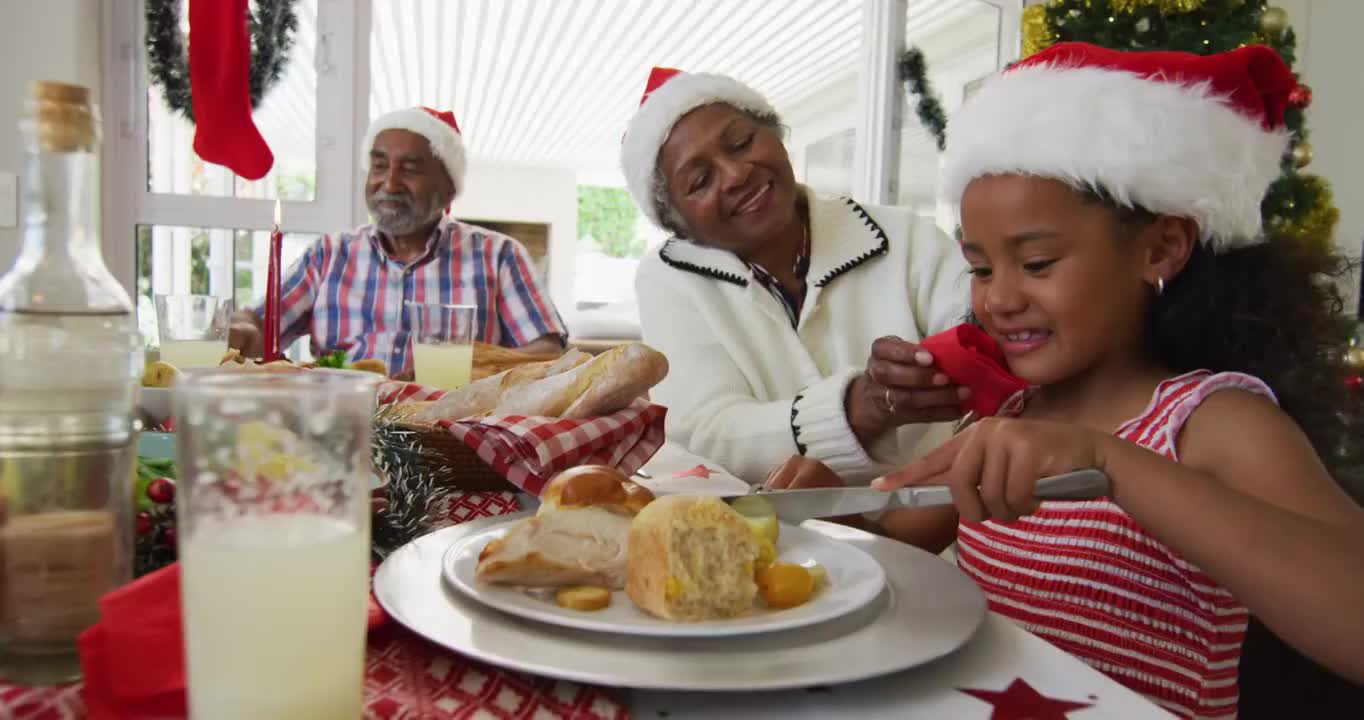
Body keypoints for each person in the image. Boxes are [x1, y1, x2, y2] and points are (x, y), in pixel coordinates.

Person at [767, 43, 1364, 717]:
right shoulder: (1017, 410)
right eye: (983, 268)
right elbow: (900, 549)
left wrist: (1111, 462)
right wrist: (830, 515)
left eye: (1038, 262)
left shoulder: (1211, 421)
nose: (998, 300)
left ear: (1161, 247)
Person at [623, 67, 970, 483]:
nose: (736, 175)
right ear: (677, 222)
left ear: (776, 134)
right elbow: (702, 432)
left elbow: (985, 332)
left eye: (741, 142)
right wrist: (854, 409)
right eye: (700, 181)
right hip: (774, 540)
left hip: (939, 526)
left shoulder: (906, 236)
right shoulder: (668, 278)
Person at [229, 107, 567, 376]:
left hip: (451, 434)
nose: (389, 182)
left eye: (410, 169)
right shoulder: (329, 254)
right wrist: (240, 329)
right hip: (343, 424)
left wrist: (473, 365)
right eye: (379, 165)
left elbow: (548, 353)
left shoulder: (499, 256)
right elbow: (260, 325)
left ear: (448, 187)